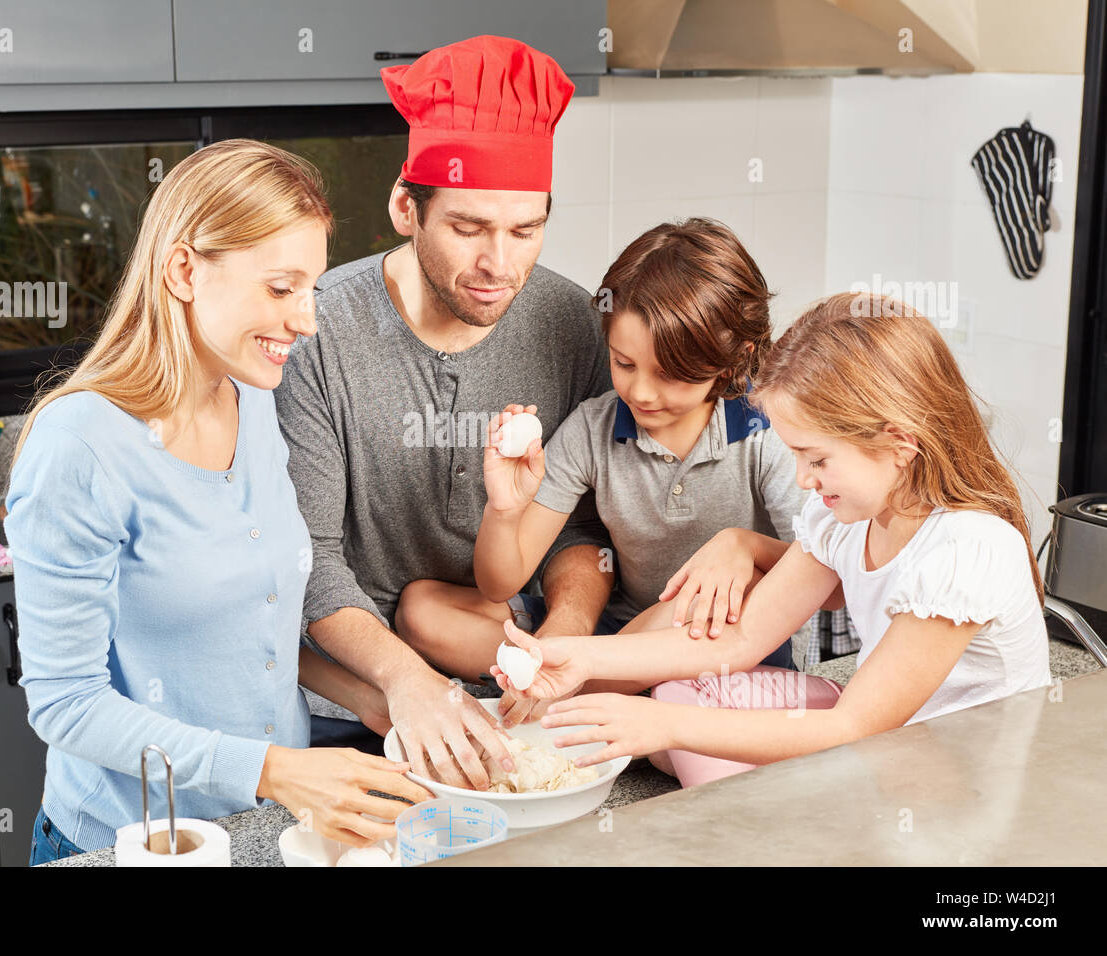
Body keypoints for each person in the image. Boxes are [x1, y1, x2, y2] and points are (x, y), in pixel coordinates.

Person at [5, 139, 429, 865]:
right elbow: (65, 703)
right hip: (132, 844)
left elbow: (244, 631)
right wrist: (277, 769)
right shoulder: (80, 446)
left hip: (267, 828)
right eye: (279, 287)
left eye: (312, 290)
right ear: (183, 271)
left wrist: (367, 695)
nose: (306, 321)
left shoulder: (251, 399)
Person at [492, 292, 1052, 787]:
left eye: (817, 459)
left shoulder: (964, 550)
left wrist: (661, 726)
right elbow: (740, 642)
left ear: (899, 444)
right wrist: (578, 655)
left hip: (961, 776)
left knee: (677, 727)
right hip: (890, 738)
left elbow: (854, 724)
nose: (804, 480)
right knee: (681, 701)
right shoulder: (845, 518)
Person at [273, 35, 616, 791]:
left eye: (525, 230)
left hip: (516, 694)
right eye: (468, 228)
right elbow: (309, 559)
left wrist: (562, 644)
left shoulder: (571, 322)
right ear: (407, 206)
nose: (500, 264)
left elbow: (586, 528)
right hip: (359, 706)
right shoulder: (315, 332)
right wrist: (405, 683)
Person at [409, 219, 811, 727]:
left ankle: (565, 685)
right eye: (624, 363)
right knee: (422, 608)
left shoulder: (766, 433)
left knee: (743, 583)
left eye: (670, 375)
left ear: (733, 361)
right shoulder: (594, 429)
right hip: (621, 632)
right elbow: (498, 583)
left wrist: (746, 547)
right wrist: (505, 510)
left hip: (725, 643)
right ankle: (584, 681)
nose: (642, 393)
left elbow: (828, 572)